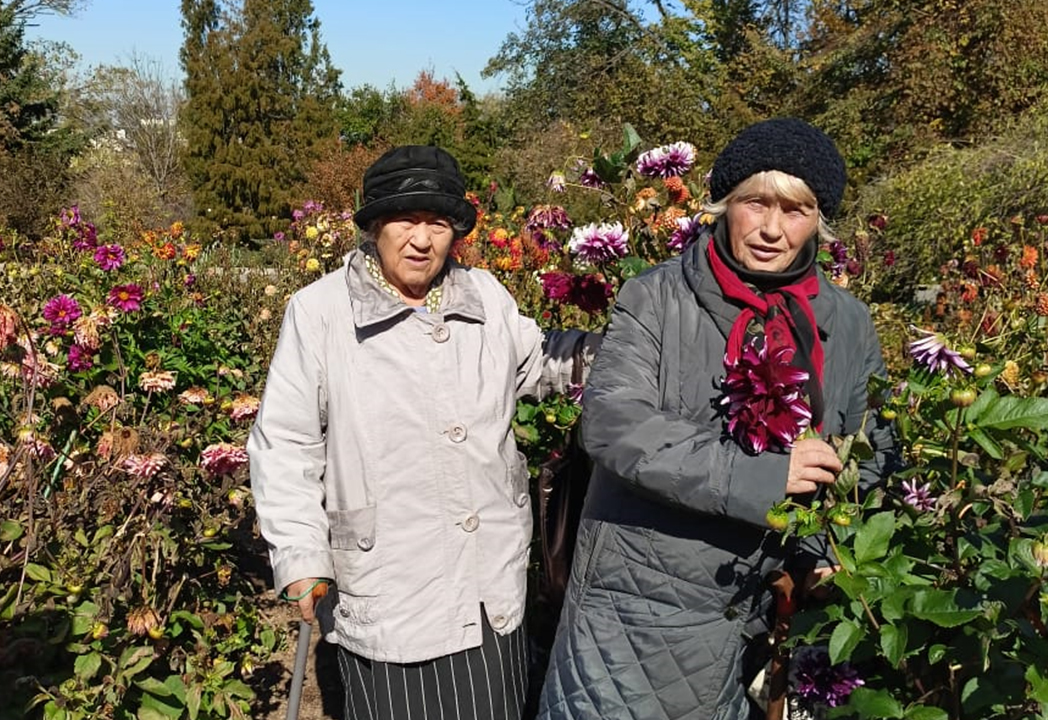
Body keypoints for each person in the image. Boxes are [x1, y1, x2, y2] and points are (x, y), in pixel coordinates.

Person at [537, 118, 897, 719]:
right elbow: (613, 424)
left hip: (770, 609)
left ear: (819, 220)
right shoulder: (656, 296)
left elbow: (870, 448)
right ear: (726, 204)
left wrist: (835, 546)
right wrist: (764, 477)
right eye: (756, 203)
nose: (773, 229)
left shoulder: (849, 322)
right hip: (640, 614)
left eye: (796, 210)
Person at [248, 145, 601, 720]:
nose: (422, 239)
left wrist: (624, 351)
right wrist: (300, 553)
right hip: (392, 581)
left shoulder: (485, 295)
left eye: (437, 223)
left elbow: (540, 362)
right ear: (374, 226)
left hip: (489, 582)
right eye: (406, 220)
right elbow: (284, 442)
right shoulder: (319, 313)